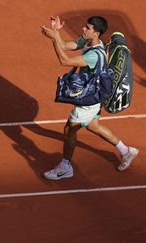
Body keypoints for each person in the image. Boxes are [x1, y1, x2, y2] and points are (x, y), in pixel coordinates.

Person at [40, 16, 139, 180]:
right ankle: (126, 152)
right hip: (95, 93)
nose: (83, 29)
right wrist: (56, 32)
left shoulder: (95, 56)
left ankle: (65, 167)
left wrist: (53, 39)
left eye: (87, 28)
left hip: (89, 99)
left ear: (96, 33)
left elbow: (64, 60)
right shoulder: (87, 42)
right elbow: (65, 46)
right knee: (93, 125)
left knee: (69, 129)